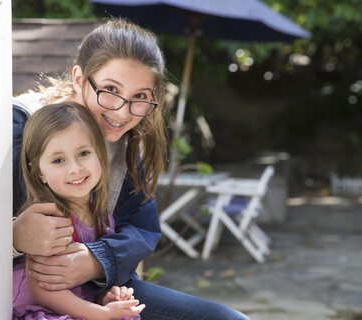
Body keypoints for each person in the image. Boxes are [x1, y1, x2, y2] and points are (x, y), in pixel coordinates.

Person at [12, 18, 250, 320]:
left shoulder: (125, 144)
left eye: (139, 97)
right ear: (78, 78)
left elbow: (141, 228)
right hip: (30, 299)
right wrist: (13, 238)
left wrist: (98, 261)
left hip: (97, 289)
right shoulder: (23, 127)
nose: (122, 113)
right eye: (110, 89)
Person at [13, 102, 145, 320]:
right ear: (39, 173)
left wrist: (107, 297)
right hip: (41, 311)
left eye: (83, 153)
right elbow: (44, 289)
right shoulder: (49, 219)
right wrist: (99, 313)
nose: (75, 168)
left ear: (99, 154)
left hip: (79, 309)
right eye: (58, 160)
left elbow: (92, 284)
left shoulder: (101, 213)